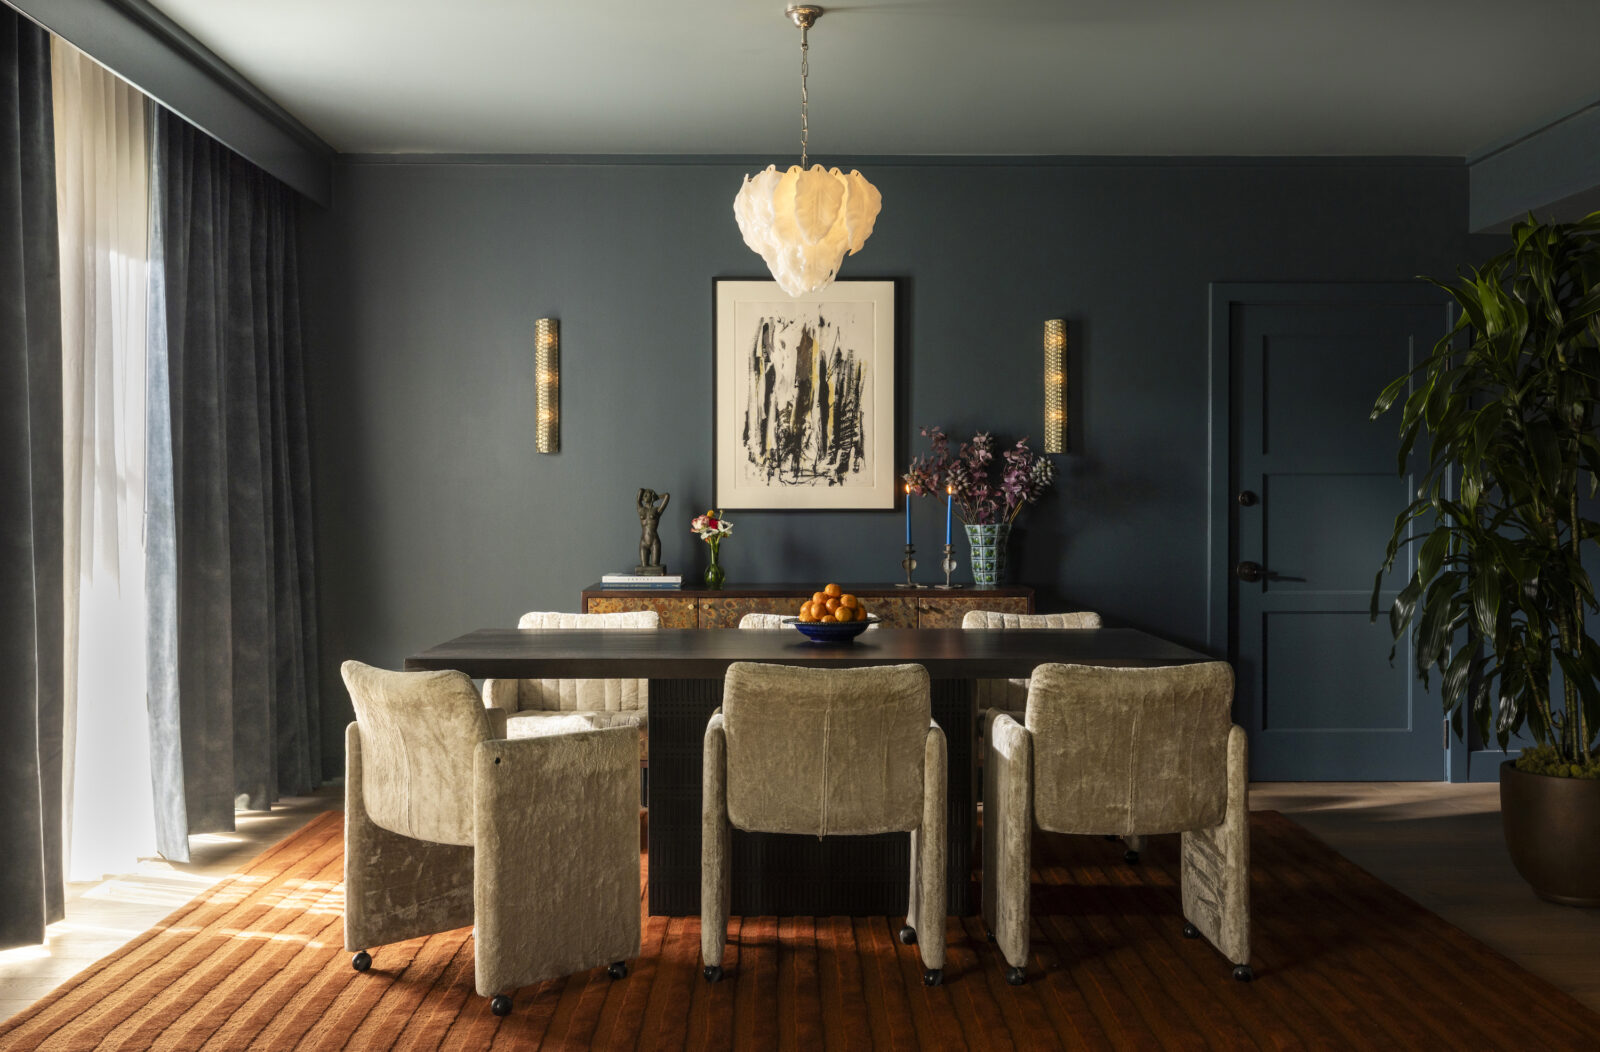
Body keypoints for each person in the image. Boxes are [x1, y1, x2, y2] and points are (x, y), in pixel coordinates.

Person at [637, 488, 669, 572]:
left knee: (656, 568)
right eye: (644, 496)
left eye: (647, 495)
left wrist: (656, 497)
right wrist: (645, 492)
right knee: (643, 569)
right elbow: (640, 491)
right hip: (643, 542)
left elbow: (667, 496)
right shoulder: (641, 509)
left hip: (654, 541)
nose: (644, 496)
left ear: (652, 496)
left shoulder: (657, 510)